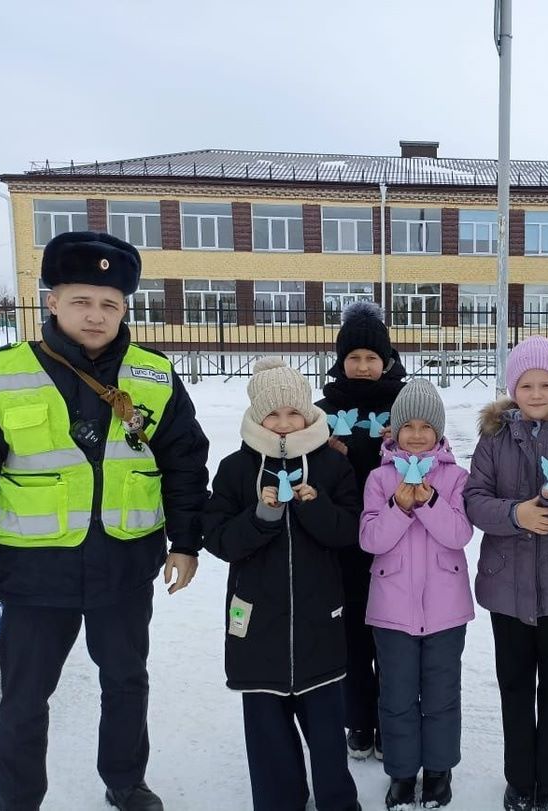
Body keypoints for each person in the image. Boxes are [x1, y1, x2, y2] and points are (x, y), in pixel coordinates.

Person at [0, 231, 209, 811]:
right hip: (37, 574)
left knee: (125, 682)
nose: (96, 315)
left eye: (109, 303)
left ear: (125, 308)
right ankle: (18, 800)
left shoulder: (153, 375)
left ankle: (125, 780)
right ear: (52, 301)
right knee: (24, 697)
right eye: (81, 300)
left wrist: (186, 541)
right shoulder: (2, 374)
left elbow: (185, 462)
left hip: (124, 562)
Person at [202, 357, 361, 811]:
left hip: (319, 622)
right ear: (257, 416)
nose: (286, 424)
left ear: (309, 413)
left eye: (295, 413)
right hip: (256, 624)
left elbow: (348, 532)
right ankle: (279, 800)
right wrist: (261, 517)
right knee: (267, 729)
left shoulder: (332, 466)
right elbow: (219, 539)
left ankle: (337, 802)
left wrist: (315, 507)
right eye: (274, 414)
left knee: (327, 729)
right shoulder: (235, 469)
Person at [463, 336, 548, 811]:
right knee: (515, 686)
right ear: (512, 389)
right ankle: (519, 778)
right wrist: (518, 514)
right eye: (526, 384)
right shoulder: (493, 441)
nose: (537, 393)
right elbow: (475, 500)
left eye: (546, 384)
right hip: (506, 585)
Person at [360, 379, 474, 809]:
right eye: (408, 425)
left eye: (427, 426)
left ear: (439, 431)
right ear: (395, 429)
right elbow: (372, 539)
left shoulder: (456, 477)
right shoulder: (378, 478)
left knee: (442, 694)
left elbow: (460, 533)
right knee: (397, 695)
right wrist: (399, 507)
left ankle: (440, 771)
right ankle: (403, 774)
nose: (417, 434)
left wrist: (427, 504)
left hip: (446, 611)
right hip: (392, 612)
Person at [317, 301, 407, 760]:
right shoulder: (321, 413)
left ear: (387, 360)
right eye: (354, 357)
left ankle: (393, 722)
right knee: (351, 634)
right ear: (341, 361)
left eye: (372, 357)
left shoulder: (405, 408)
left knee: (392, 638)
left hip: (397, 542)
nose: (364, 366)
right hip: (342, 544)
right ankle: (358, 721)